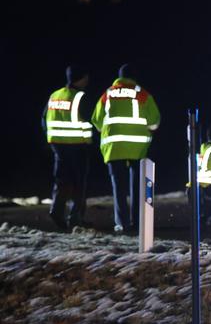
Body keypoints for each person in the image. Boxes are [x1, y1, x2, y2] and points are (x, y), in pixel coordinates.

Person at [91, 65, 160, 233]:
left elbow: (97, 121)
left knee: (118, 186)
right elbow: (154, 122)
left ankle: (122, 223)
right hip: (138, 146)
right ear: (134, 78)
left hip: (113, 147)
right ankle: (138, 222)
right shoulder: (143, 94)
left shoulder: (107, 94)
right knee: (138, 185)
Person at [43, 65, 95, 231]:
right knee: (79, 183)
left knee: (62, 180)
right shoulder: (80, 97)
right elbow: (89, 121)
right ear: (80, 78)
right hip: (77, 145)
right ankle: (75, 218)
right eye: (86, 77)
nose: (88, 80)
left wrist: (51, 139)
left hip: (58, 146)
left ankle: (56, 211)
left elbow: (44, 119)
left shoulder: (55, 95)